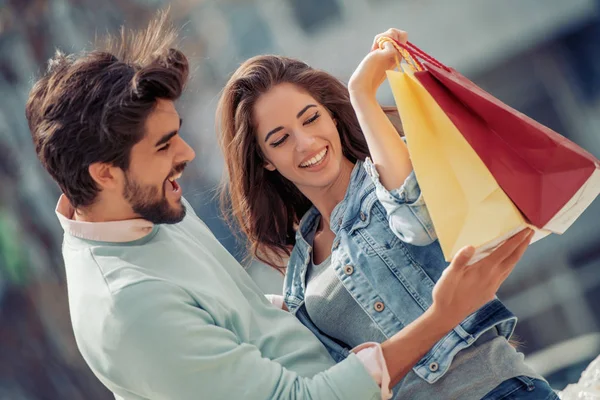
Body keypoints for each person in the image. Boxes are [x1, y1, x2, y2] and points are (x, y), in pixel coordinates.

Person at [26, 13, 534, 399]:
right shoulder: (127, 308)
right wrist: (442, 317)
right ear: (104, 174)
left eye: (175, 136)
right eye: (163, 147)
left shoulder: (151, 207)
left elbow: (406, 208)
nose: (186, 155)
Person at [217, 29, 557, 399]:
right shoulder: (298, 271)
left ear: (331, 115)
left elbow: (415, 217)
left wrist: (363, 93)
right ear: (265, 161)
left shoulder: (386, 182)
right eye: (280, 139)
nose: (306, 143)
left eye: (311, 118)